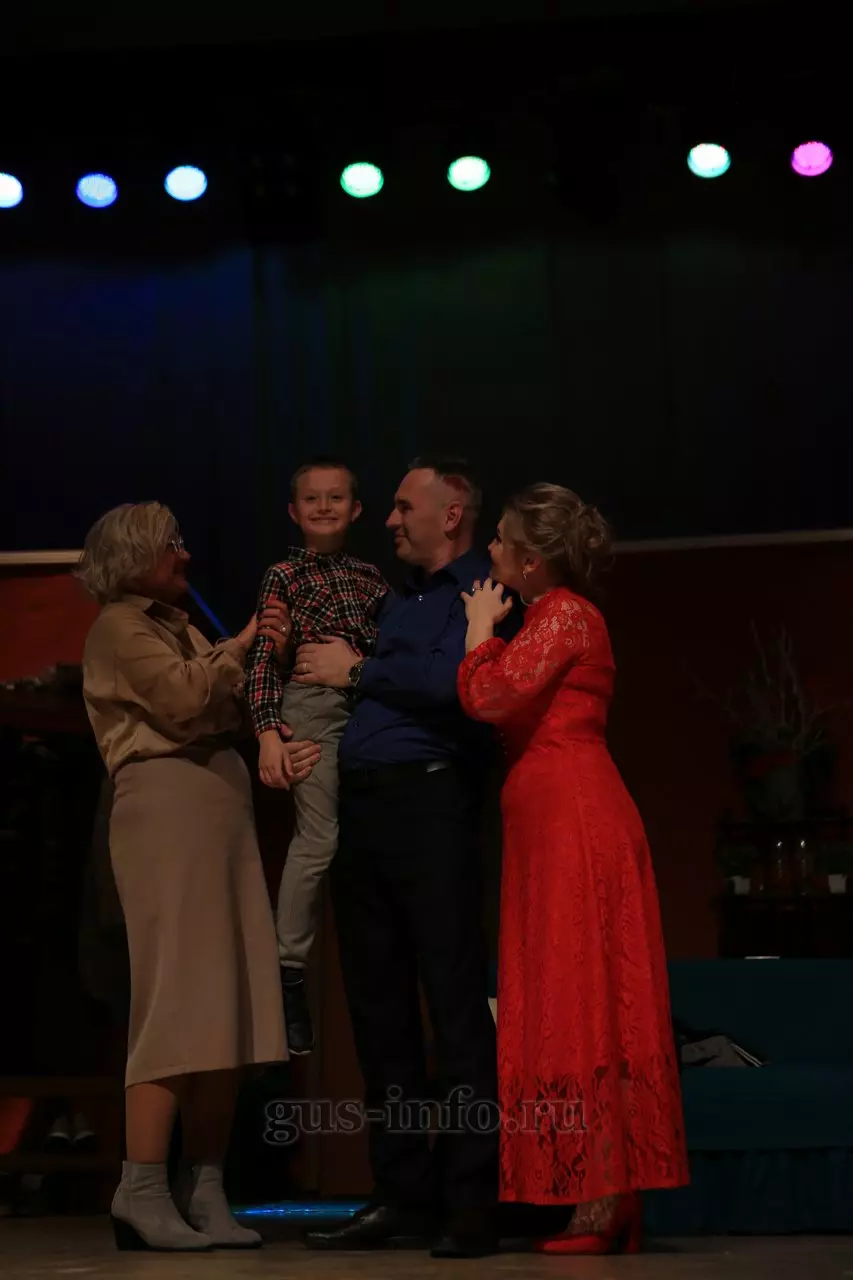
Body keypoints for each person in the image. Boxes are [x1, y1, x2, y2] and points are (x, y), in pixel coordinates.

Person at [76, 502, 319, 1253]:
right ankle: (141, 1186)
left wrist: (249, 681)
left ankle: (204, 1185)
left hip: (218, 824)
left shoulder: (177, 627)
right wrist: (241, 646)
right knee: (175, 1002)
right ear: (136, 556)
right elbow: (186, 700)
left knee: (227, 1007)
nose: (185, 554)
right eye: (171, 544)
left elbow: (225, 707)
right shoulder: (120, 627)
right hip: (167, 822)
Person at [288, 457, 514, 1258]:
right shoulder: (397, 599)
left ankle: (470, 1198)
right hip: (367, 809)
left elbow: (456, 681)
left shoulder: (483, 591)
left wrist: (359, 670)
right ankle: (400, 1192)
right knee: (379, 1011)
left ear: (450, 514)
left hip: (431, 804)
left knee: (452, 1006)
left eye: (401, 506)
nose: (388, 520)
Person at [456, 483, 689, 1255]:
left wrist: (478, 632)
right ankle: (600, 1192)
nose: (490, 550)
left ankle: (603, 1195)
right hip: (548, 821)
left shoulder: (564, 613)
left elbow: (490, 694)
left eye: (499, 540)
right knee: (564, 995)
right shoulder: (547, 618)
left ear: (530, 560)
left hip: (574, 820)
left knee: (582, 998)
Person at [244, 458, 388, 1055]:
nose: (324, 507)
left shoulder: (372, 578)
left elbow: (389, 647)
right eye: (312, 499)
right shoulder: (284, 575)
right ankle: (287, 971)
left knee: (370, 838)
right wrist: (268, 731)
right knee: (320, 836)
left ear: (356, 509)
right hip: (312, 709)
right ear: (293, 511)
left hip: (367, 703)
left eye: (336, 498)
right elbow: (263, 656)